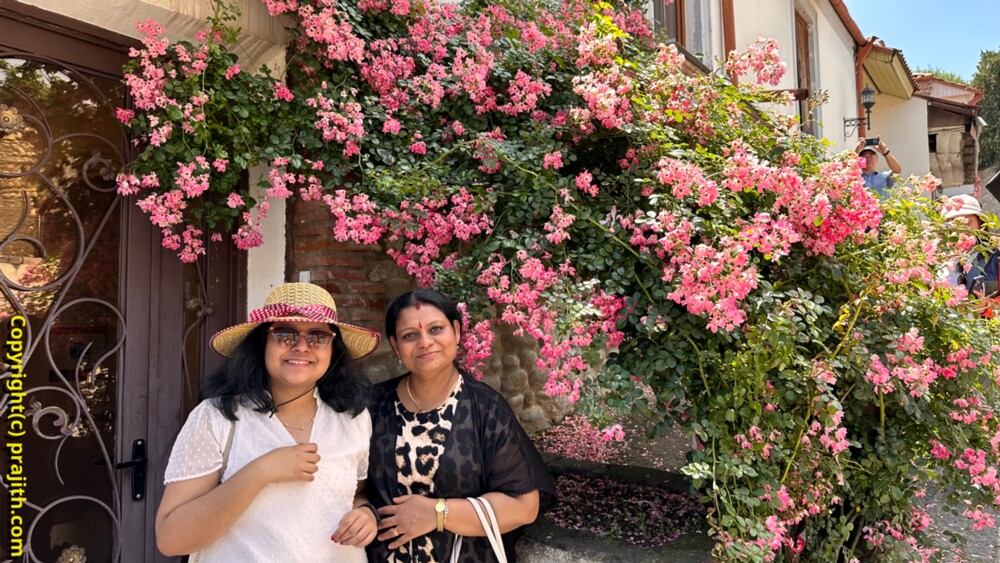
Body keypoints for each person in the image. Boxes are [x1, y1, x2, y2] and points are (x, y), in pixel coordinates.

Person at [156, 282, 382, 562]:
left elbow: (354, 493)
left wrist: (366, 513)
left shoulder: (352, 418)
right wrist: (260, 472)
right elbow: (171, 538)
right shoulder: (217, 417)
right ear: (262, 342)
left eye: (318, 336)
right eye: (285, 334)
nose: (302, 347)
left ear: (333, 349)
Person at [366, 289, 555, 563]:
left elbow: (524, 506)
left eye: (436, 329)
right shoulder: (373, 405)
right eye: (410, 335)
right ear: (395, 345)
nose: (425, 342)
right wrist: (363, 511)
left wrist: (438, 513)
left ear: (456, 332)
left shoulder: (486, 408)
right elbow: (352, 486)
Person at [943, 194, 1000, 299]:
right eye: (954, 224)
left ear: (980, 223)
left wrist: (988, 305)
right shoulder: (937, 258)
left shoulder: (996, 256)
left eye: (967, 222)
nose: (961, 229)